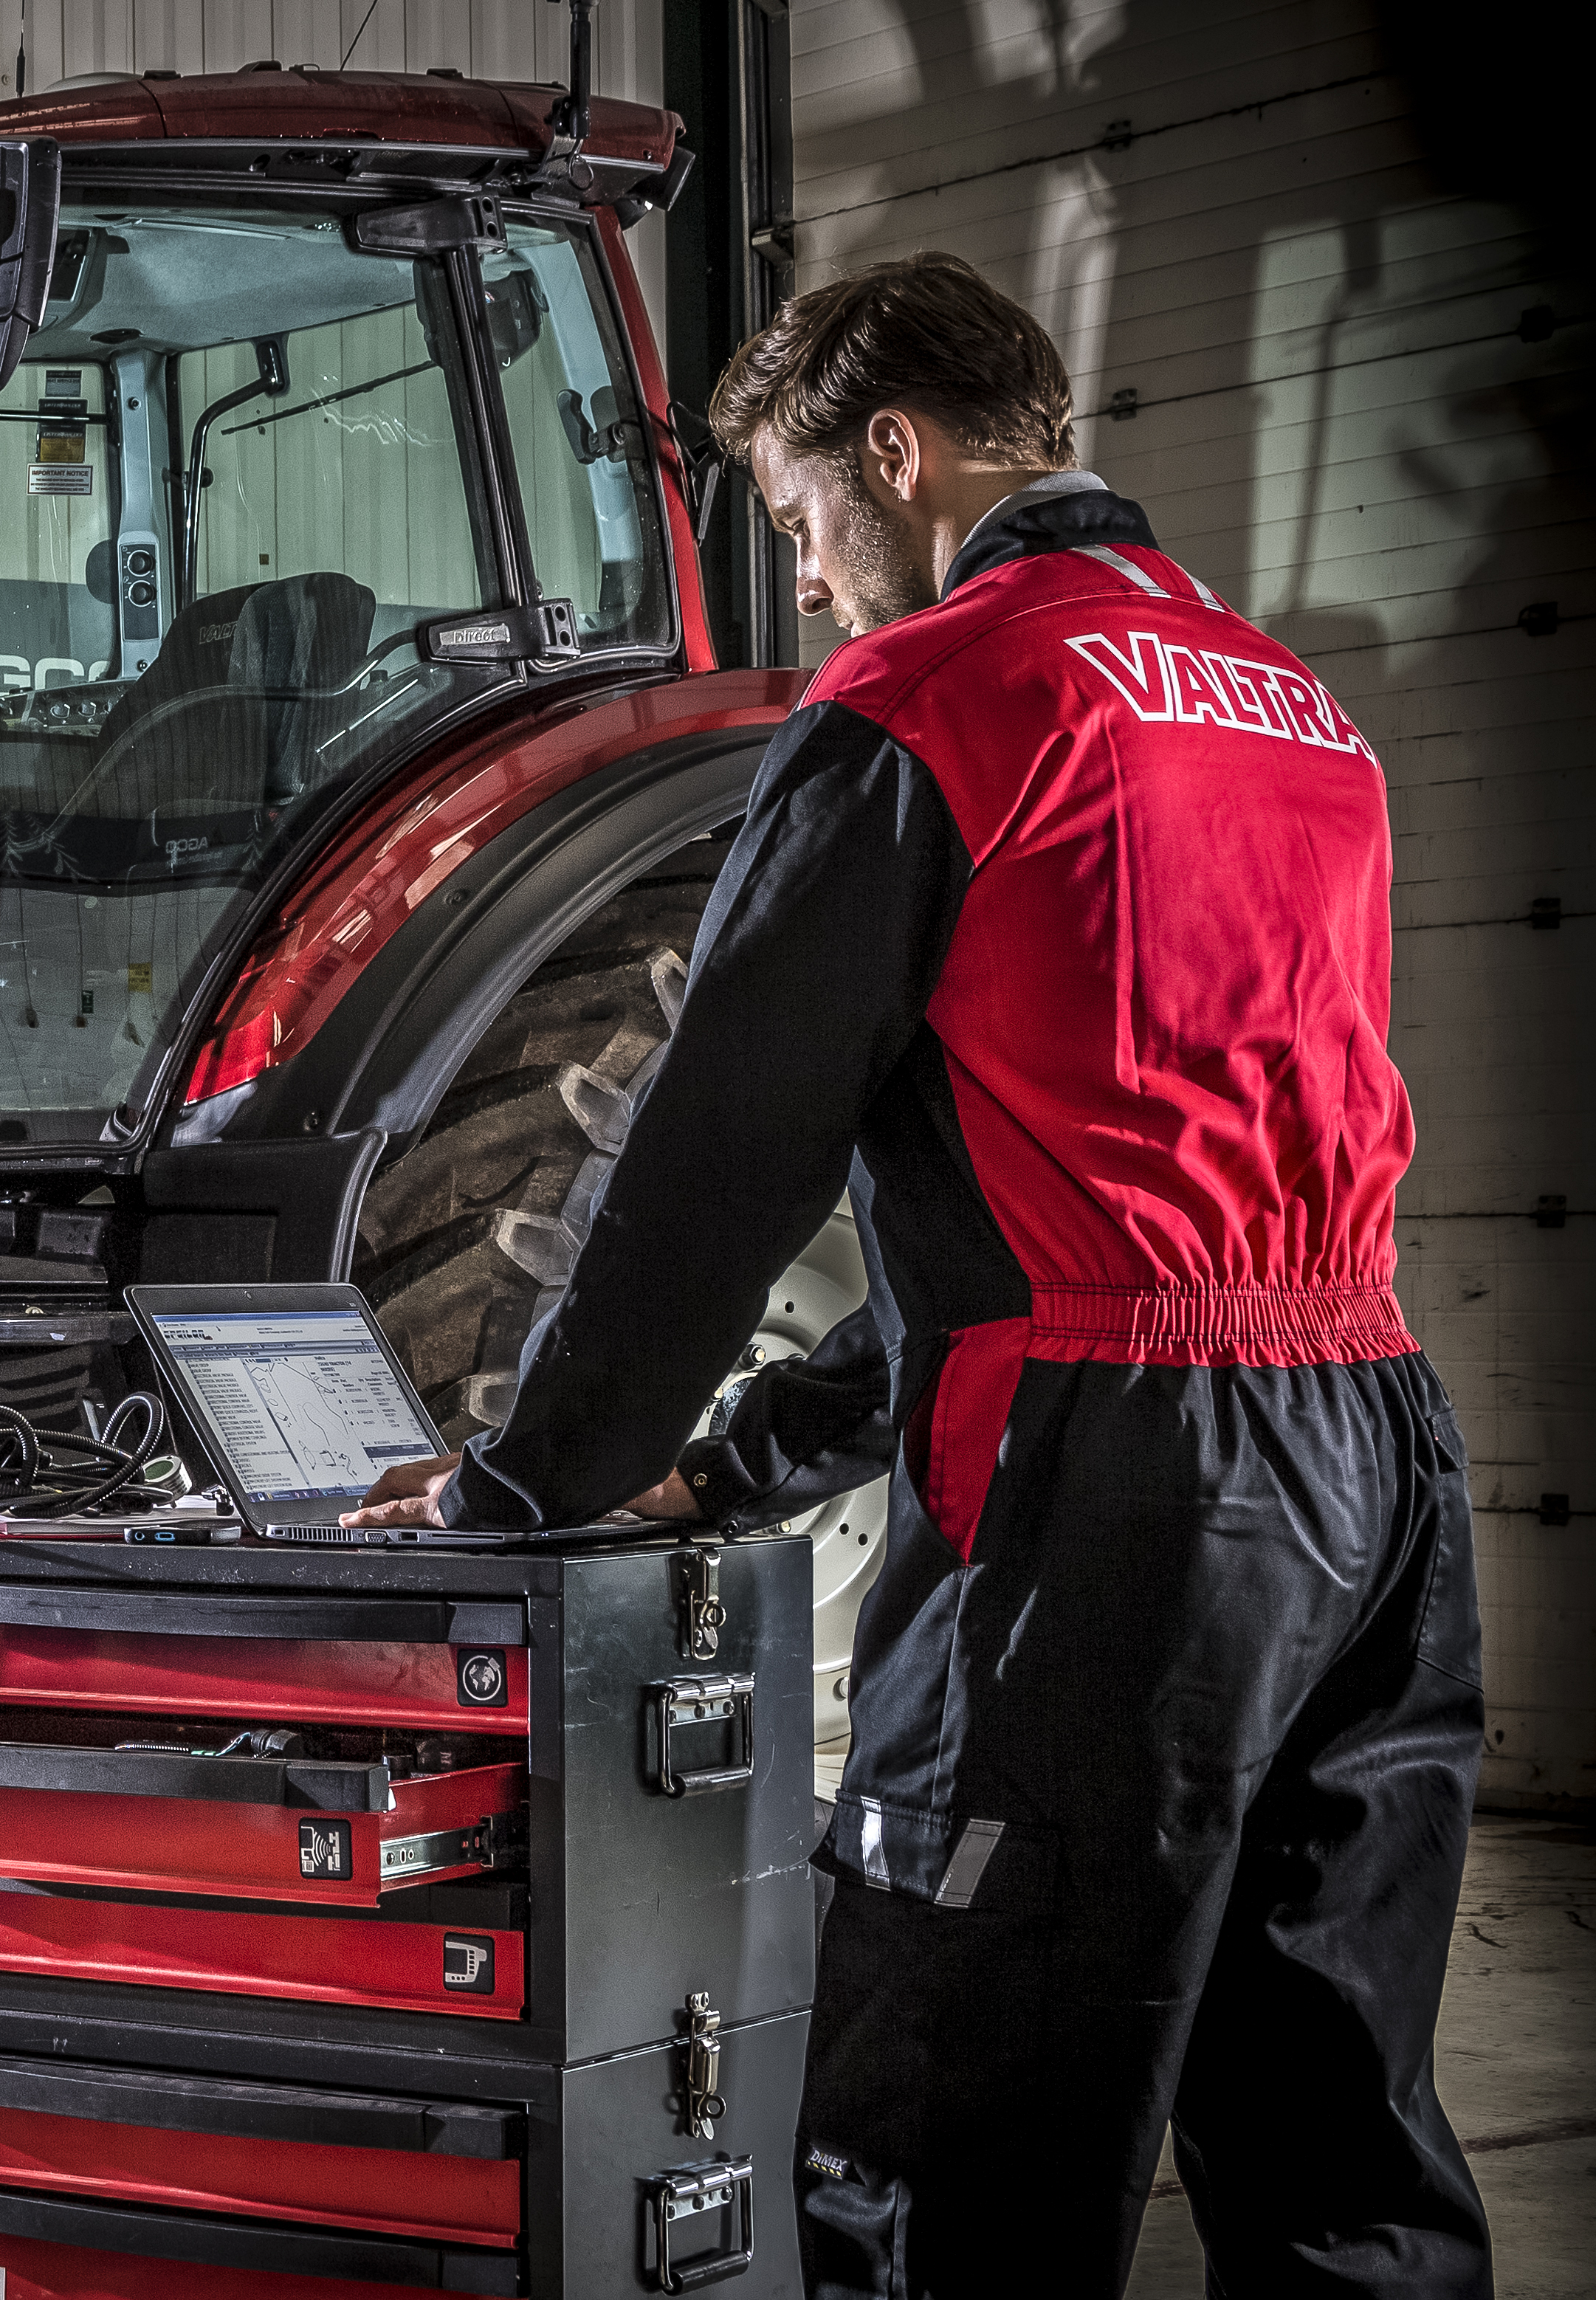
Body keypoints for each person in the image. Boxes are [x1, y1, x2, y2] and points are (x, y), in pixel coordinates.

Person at [342, 252, 1491, 2297]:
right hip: (1376, 1455)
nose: (805, 579)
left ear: (899, 452)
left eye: (800, 519)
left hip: (1113, 1512)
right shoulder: (1284, 701)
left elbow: (713, 1173)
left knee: (955, 2136)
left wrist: (529, 1483)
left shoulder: (928, 698)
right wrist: (743, 1456)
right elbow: (1094, 1221)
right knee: (1333, 2131)